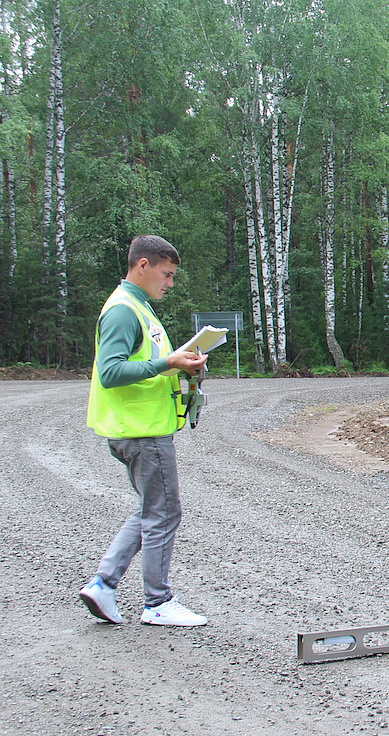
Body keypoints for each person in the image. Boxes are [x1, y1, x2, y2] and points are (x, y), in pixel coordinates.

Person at [78, 235, 209, 627]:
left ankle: (103, 584)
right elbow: (111, 372)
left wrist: (180, 366)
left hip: (141, 428)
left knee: (151, 509)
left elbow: (148, 364)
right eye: (167, 275)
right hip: (141, 431)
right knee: (164, 512)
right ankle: (157, 601)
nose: (170, 283)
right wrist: (167, 362)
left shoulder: (139, 308)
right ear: (143, 266)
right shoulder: (122, 311)